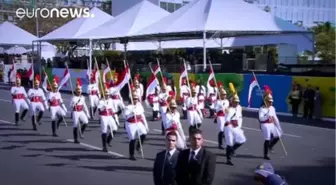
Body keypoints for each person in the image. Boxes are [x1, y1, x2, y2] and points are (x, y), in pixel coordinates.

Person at [258, 86, 283, 160]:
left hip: (271, 124)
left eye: (271, 102)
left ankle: (270, 146)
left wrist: (278, 126)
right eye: (269, 102)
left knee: (279, 134)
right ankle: (265, 154)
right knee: (267, 139)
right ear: (265, 101)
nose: (271, 103)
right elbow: (261, 118)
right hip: (264, 124)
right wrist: (267, 115)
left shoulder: (272, 108)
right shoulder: (262, 109)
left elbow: (275, 118)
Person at [124, 92, 149, 160]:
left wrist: (146, 125)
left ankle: (138, 146)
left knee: (144, 133)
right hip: (131, 124)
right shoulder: (127, 107)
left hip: (138, 122)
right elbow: (125, 117)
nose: (136, 100)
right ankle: (131, 155)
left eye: (137, 99)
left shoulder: (140, 106)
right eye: (134, 99)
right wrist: (131, 113)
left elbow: (142, 116)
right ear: (131, 99)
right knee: (132, 139)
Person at [224, 94, 246, 166]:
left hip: (236, 127)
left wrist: (239, 126)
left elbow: (240, 118)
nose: (236, 103)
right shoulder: (228, 109)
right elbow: (227, 119)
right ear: (232, 102)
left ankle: (232, 149)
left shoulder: (239, 108)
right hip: (229, 127)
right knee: (229, 143)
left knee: (242, 140)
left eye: (237, 102)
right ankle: (228, 159)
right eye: (235, 102)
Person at [70, 78, 90, 144]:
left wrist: (87, 113)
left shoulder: (83, 97)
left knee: (86, 121)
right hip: (75, 112)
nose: (79, 92)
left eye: (80, 91)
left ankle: (81, 131)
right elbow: (71, 106)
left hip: (81, 111)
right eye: (78, 91)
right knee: (75, 125)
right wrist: (73, 103)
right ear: (75, 91)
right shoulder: (73, 97)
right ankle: (75, 139)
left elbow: (84, 106)